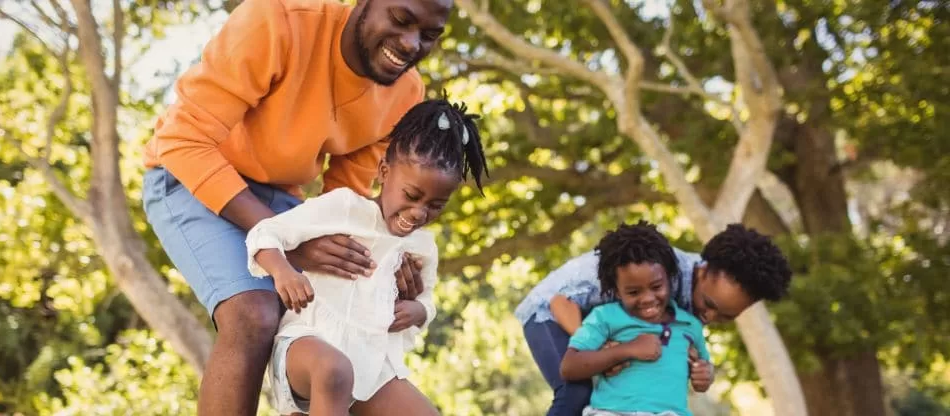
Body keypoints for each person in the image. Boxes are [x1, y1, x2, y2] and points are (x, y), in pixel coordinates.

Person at [139, 0, 454, 413]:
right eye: (400, 19)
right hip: (191, 175)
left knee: (337, 320)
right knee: (253, 314)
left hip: (286, 203)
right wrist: (287, 243)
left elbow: (347, 198)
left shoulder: (405, 93)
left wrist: (383, 263)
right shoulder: (276, 21)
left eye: (429, 35)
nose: (411, 43)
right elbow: (183, 141)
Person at [245, 97, 488, 415]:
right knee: (335, 372)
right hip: (308, 345)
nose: (419, 213)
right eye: (412, 195)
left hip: (371, 366)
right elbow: (264, 234)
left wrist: (418, 311)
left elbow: (427, 300)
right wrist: (283, 271)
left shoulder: (423, 246)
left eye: (435, 205)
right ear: (384, 171)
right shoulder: (345, 206)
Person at [515, 223, 792, 416]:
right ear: (703, 269)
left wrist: (700, 367)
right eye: (709, 305)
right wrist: (602, 352)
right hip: (551, 313)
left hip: (602, 331)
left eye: (726, 317)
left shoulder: (687, 310)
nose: (709, 317)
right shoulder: (653, 268)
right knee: (577, 391)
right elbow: (561, 301)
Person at [558, 222, 712, 416]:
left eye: (656, 287)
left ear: (670, 278)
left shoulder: (691, 325)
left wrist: (705, 376)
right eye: (633, 292)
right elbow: (569, 367)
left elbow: (704, 368)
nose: (647, 298)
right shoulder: (605, 317)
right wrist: (627, 349)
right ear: (616, 291)